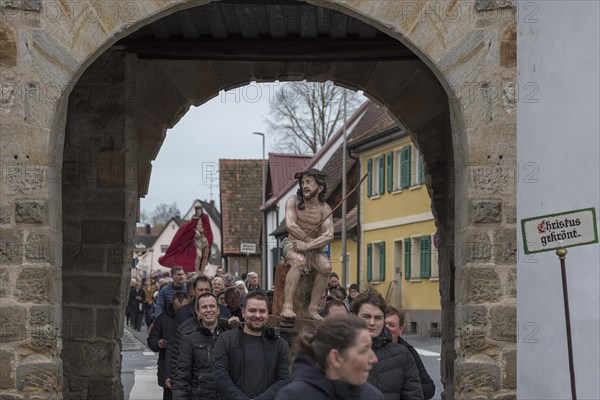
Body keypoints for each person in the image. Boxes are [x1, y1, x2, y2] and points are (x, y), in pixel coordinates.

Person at [275, 314, 383, 400]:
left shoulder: (372, 396)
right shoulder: (293, 396)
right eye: (364, 350)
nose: (374, 359)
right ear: (335, 358)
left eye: (371, 348)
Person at [214, 291, 290, 400]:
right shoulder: (226, 340)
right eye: (252, 310)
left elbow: (284, 379)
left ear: (267, 313)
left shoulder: (280, 345)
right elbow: (220, 376)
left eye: (262, 311)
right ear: (243, 312)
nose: (257, 315)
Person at [281, 168, 334, 321]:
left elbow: (329, 234)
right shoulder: (293, 201)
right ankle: (287, 306)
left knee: (326, 267)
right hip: (292, 245)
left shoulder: (325, 209)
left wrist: (308, 246)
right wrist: (309, 242)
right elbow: (290, 225)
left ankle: (312, 308)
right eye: (303, 182)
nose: (304, 185)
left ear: (321, 187)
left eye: (309, 182)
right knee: (299, 261)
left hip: (311, 249)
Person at [351, 290, 423, 400]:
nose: (372, 322)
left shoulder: (402, 354)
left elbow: (413, 395)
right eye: (366, 316)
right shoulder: (339, 352)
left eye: (378, 318)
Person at [171, 293, 230, 400]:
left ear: (218, 310)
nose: (208, 310)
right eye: (204, 307)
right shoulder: (189, 338)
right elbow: (181, 376)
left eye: (212, 306)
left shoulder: (230, 335)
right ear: (198, 312)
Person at [147, 291, 191, 400]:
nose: (181, 313)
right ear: (172, 305)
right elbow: (152, 339)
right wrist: (158, 343)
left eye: (184, 310)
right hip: (168, 366)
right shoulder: (163, 319)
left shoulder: (194, 318)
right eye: (177, 309)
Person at [386, 307, 436, 400]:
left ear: (401, 329)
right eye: (384, 325)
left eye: (392, 325)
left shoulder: (408, 352)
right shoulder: (372, 349)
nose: (387, 329)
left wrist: (407, 390)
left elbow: (429, 387)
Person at [193, 204, 213, 274]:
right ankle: (196, 272)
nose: (199, 212)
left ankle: (202, 272)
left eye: (200, 210)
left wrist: (203, 230)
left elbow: (208, 227)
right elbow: (191, 227)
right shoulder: (194, 218)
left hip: (205, 237)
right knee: (199, 255)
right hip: (198, 238)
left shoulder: (205, 217)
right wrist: (196, 231)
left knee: (205, 256)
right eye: (197, 210)